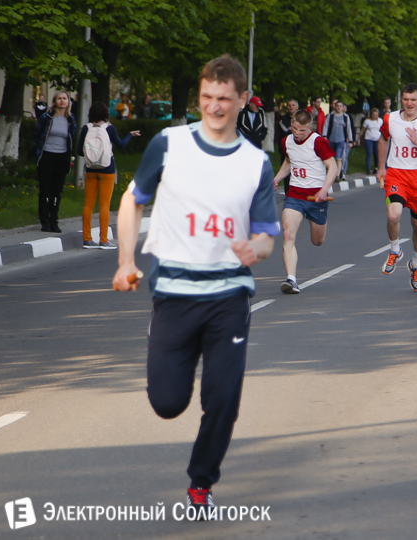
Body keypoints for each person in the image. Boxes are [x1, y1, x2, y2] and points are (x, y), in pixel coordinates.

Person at [112, 55, 278, 521]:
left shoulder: (254, 163)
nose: (215, 107)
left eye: (224, 99)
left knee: (223, 398)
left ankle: (201, 483)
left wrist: (257, 250)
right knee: (167, 402)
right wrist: (126, 260)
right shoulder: (169, 145)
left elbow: (266, 233)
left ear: (242, 101)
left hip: (228, 296)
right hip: (174, 293)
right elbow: (133, 199)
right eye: (206, 98)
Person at [376, 83, 417, 292]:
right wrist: (381, 167)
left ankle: (416, 264)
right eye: (406, 99)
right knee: (393, 215)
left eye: (413, 99)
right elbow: (383, 139)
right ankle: (395, 250)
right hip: (396, 174)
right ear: (401, 100)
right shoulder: (391, 118)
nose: (409, 103)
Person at [273, 109, 338, 294]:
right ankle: (291, 280)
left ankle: (319, 220)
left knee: (317, 241)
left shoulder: (319, 142)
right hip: (295, 196)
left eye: (302, 130)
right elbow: (288, 161)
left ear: (309, 128)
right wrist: (277, 179)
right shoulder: (286, 141)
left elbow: (332, 166)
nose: (297, 133)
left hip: (316, 198)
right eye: (294, 128)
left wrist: (324, 189)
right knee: (288, 235)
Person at [77, 101, 141, 249]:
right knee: (104, 204)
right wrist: (130, 135)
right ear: (106, 114)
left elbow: (80, 151)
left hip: (90, 170)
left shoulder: (86, 128)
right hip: (107, 169)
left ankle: (87, 239)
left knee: (88, 204)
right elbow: (121, 145)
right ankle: (103, 240)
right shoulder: (109, 128)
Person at [33, 90, 76, 233]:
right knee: (45, 190)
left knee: (56, 191)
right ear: (55, 101)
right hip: (46, 156)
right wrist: (37, 153)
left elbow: (71, 138)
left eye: (65, 98)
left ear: (68, 102)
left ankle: (54, 221)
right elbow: (38, 134)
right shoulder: (47, 117)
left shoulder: (71, 120)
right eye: (59, 98)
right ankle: (44, 221)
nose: (62, 101)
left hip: (61, 158)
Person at [322, 100, 353, 179]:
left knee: (339, 158)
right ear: (334, 107)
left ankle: (337, 175)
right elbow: (326, 126)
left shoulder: (346, 117)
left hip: (341, 140)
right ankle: (330, 174)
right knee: (330, 158)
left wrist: (350, 140)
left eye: (340, 106)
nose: (339, 108)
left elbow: (349, 128)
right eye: (337, 106)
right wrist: (324, 136)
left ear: (343, 108)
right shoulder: (330, 116)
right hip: (331, 140)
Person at [277, 99, 299, 193]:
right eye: (289, 105)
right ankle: (288, 193)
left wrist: (292, 129)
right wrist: (293, 130)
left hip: (299, 149)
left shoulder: (301, 118)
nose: (291, 107)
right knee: (286, 172)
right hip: (286, 149)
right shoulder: (283, 119)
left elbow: (303, 131)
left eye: (293, 105)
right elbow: (284, 131)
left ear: (297, 107)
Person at [358, 108, 383, 173]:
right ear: (371, 115)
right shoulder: (367, 121)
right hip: (368, 138)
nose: (375, 116)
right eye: (373, 115)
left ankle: (376, 167)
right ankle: (368, 168)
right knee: (369, 153)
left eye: (376, 115)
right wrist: (358, 138)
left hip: (377, 138)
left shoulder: (380, 121)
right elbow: (363, 130)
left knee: (376, 153)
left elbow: (383, 130)